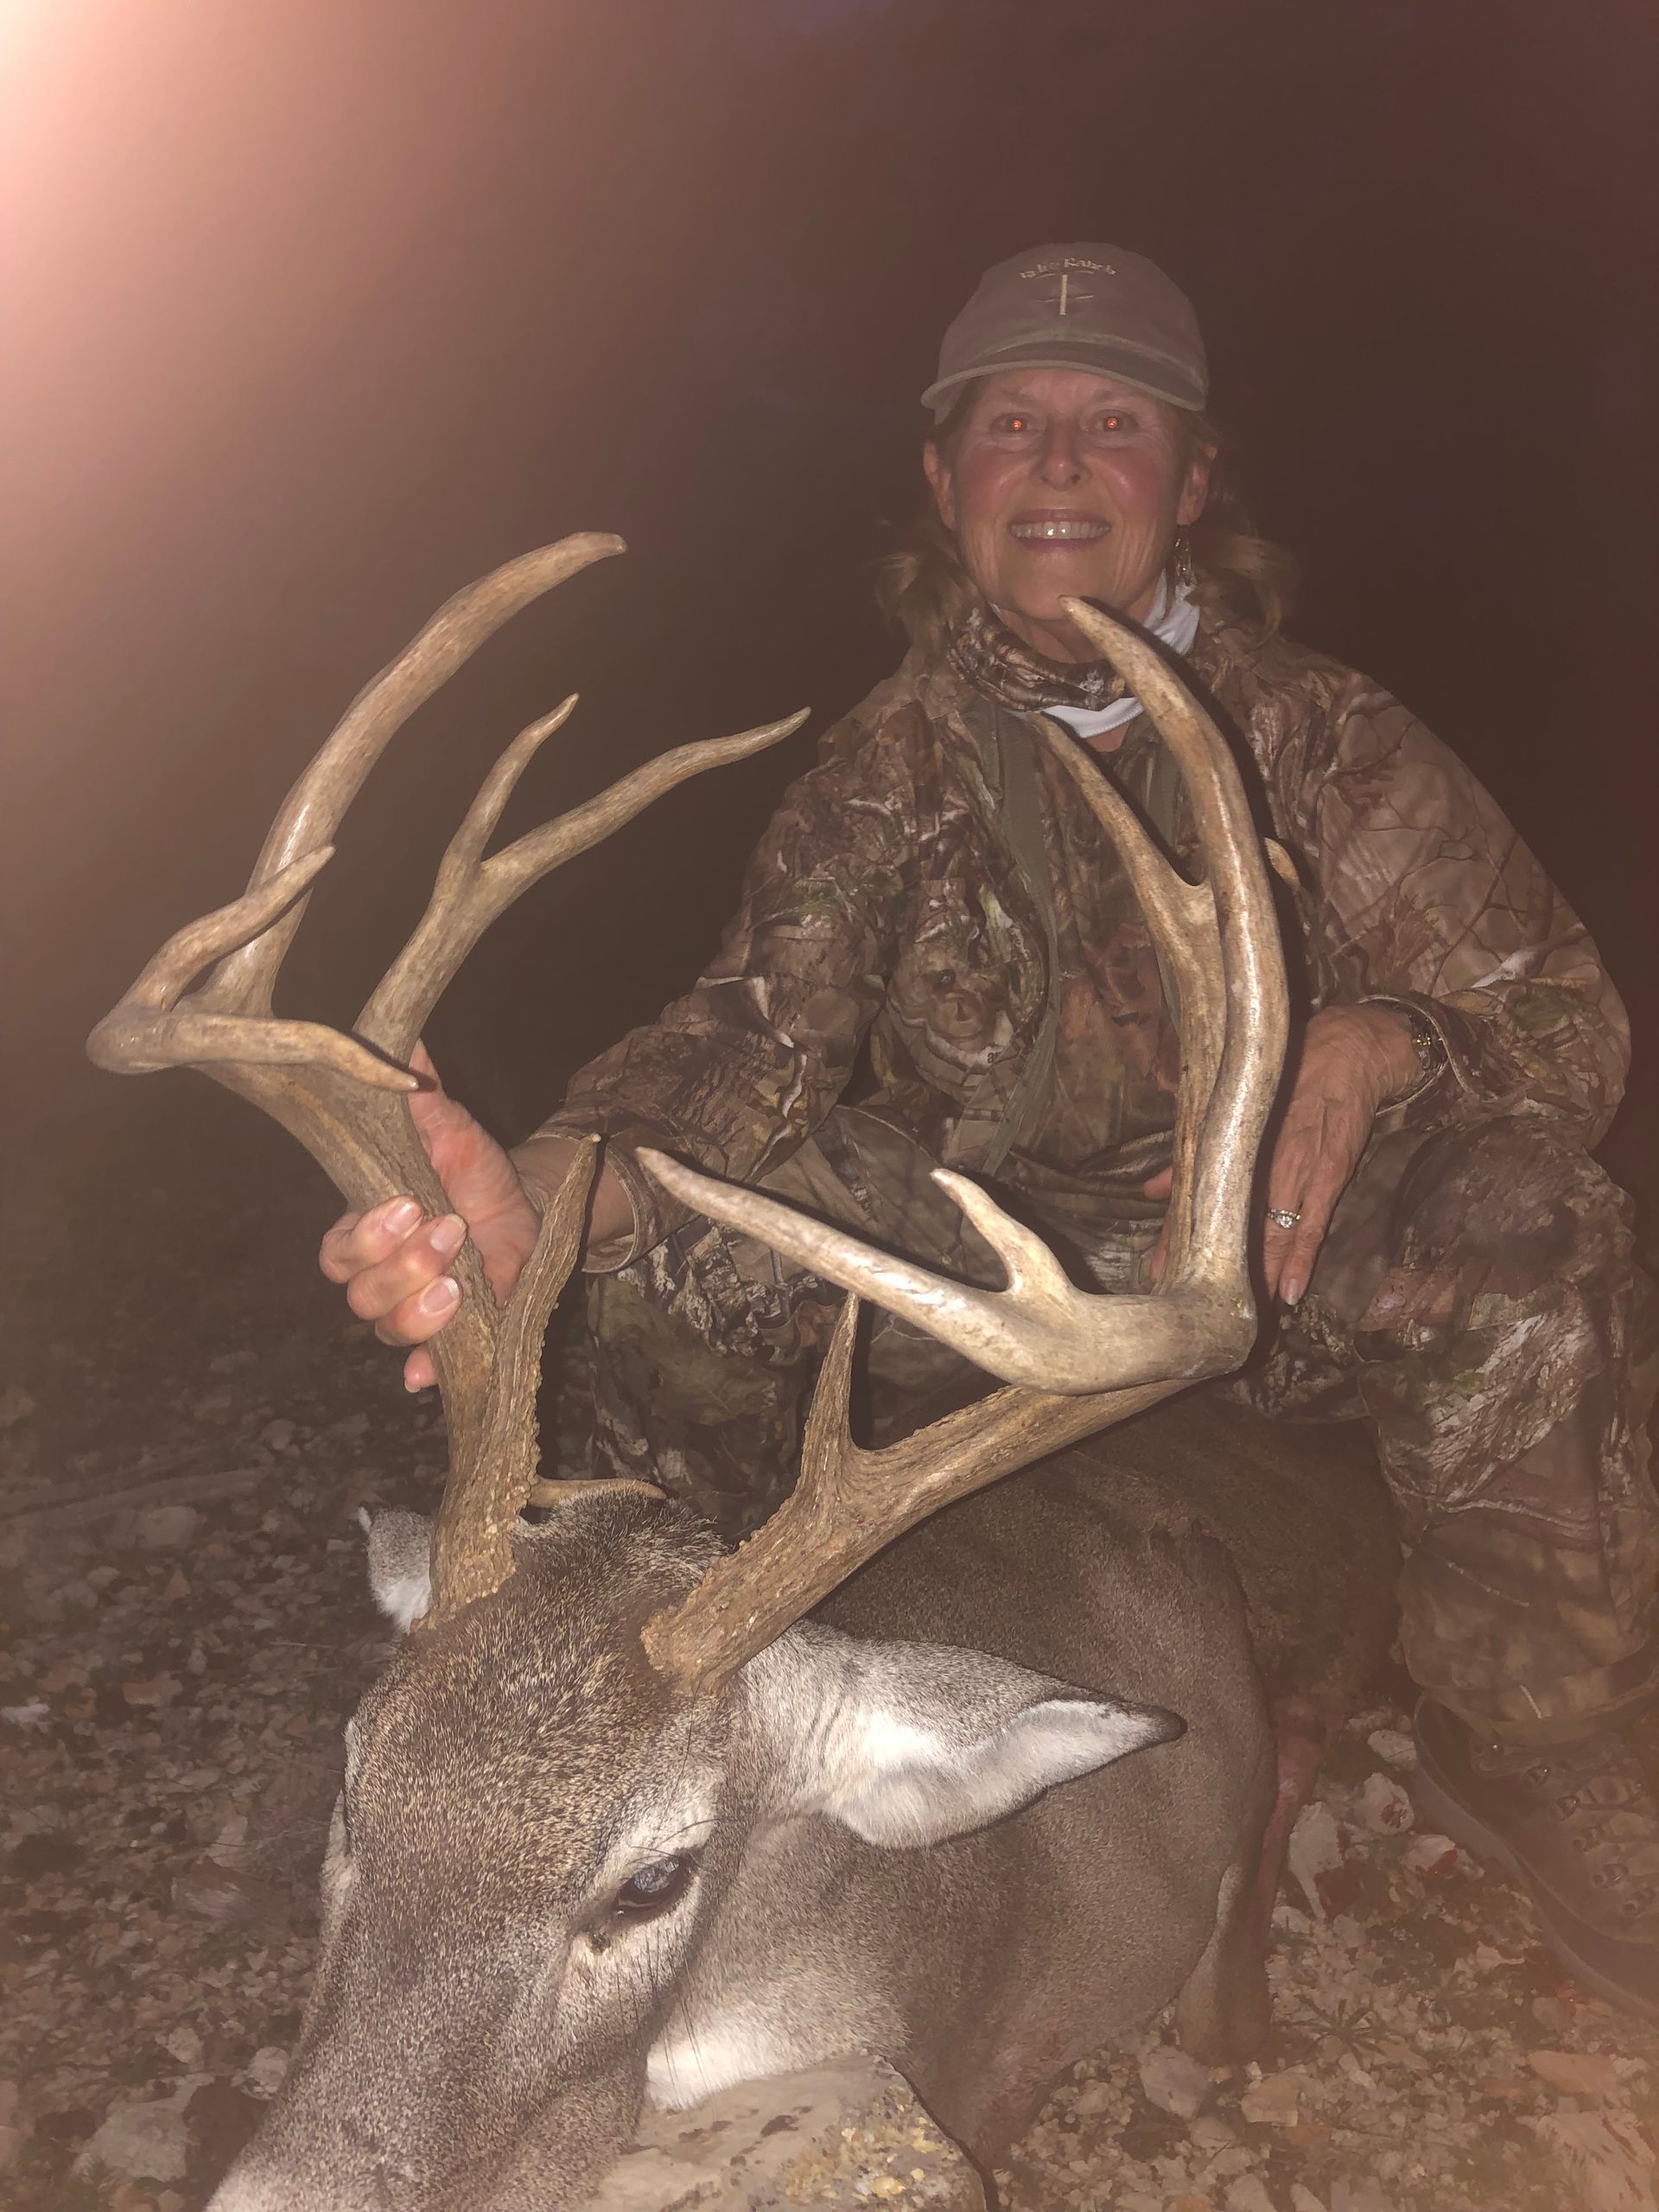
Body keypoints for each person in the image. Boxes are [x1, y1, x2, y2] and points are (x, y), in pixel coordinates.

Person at [321, 243, 1659, 2018]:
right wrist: (545, 1199)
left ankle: (1532, 1736)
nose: (1056, 463)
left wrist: (1386, 1040)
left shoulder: (1328, 741)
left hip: (1286, 1286)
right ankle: (719, 1728)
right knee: (685, 1239)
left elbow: (1568, 1019)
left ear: (1191, 486)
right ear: (945, 485)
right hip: (1012, 1295)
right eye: (1010, 423)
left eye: (1113, 424)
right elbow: (748, 1042)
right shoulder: (888, 771)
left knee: (1524, 1212)